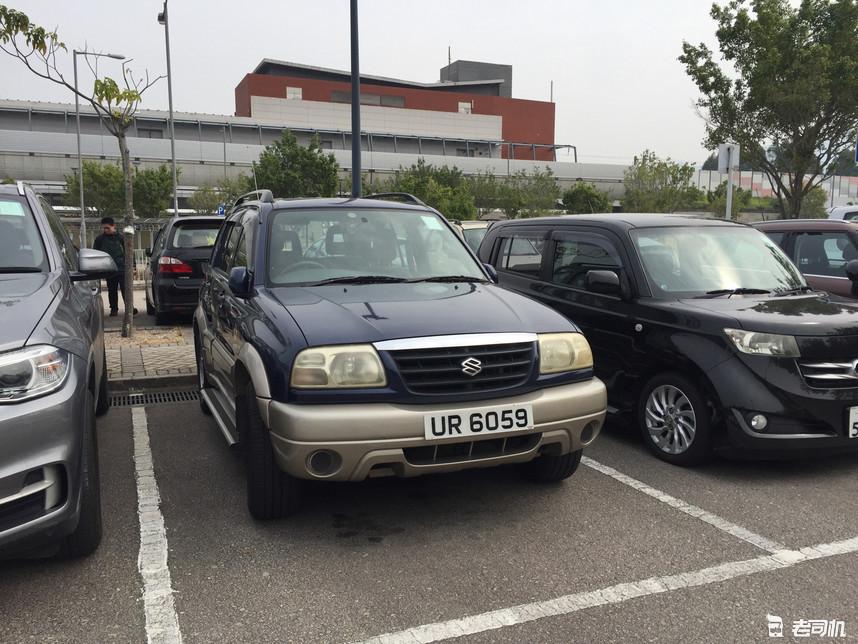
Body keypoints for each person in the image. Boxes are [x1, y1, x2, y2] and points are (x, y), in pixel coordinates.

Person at [93, 216, 136, 317]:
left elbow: (129, 252)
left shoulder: (121, 238)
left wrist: (133, 266)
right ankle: (113, 309)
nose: (105, 230)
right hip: (109, 269)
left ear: (113, 226)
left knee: (126, 290)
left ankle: (130, 308)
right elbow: (96, 253)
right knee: (112, 290)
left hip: (122, 268)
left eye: (107, 228)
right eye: (104, 228)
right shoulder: (99, 239)